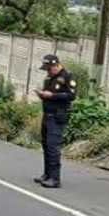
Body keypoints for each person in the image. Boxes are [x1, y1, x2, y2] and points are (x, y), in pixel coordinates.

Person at [33, 54, 77, 189]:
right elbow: (48, 94)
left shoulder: (67, 76)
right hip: (47, 115)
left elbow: (71, 95)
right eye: (46, 69)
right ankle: (47, 174)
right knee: (46, 145)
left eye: (49, 68)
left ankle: (55, 178)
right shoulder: (49, 77)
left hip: (58, 116)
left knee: (53, 147)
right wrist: (42, 95)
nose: (47, 71)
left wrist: (52, 95)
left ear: (56, 65)